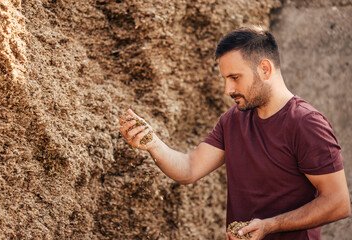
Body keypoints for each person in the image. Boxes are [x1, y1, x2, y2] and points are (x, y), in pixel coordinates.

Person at [118, 26, 350, 240]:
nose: (228, 89)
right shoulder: (232, 120)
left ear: (265, 69)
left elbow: (338, 203)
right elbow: (189, 169)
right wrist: (152, 143)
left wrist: (270, 225)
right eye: (225, 79)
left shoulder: (306, 123)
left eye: (235, 78)